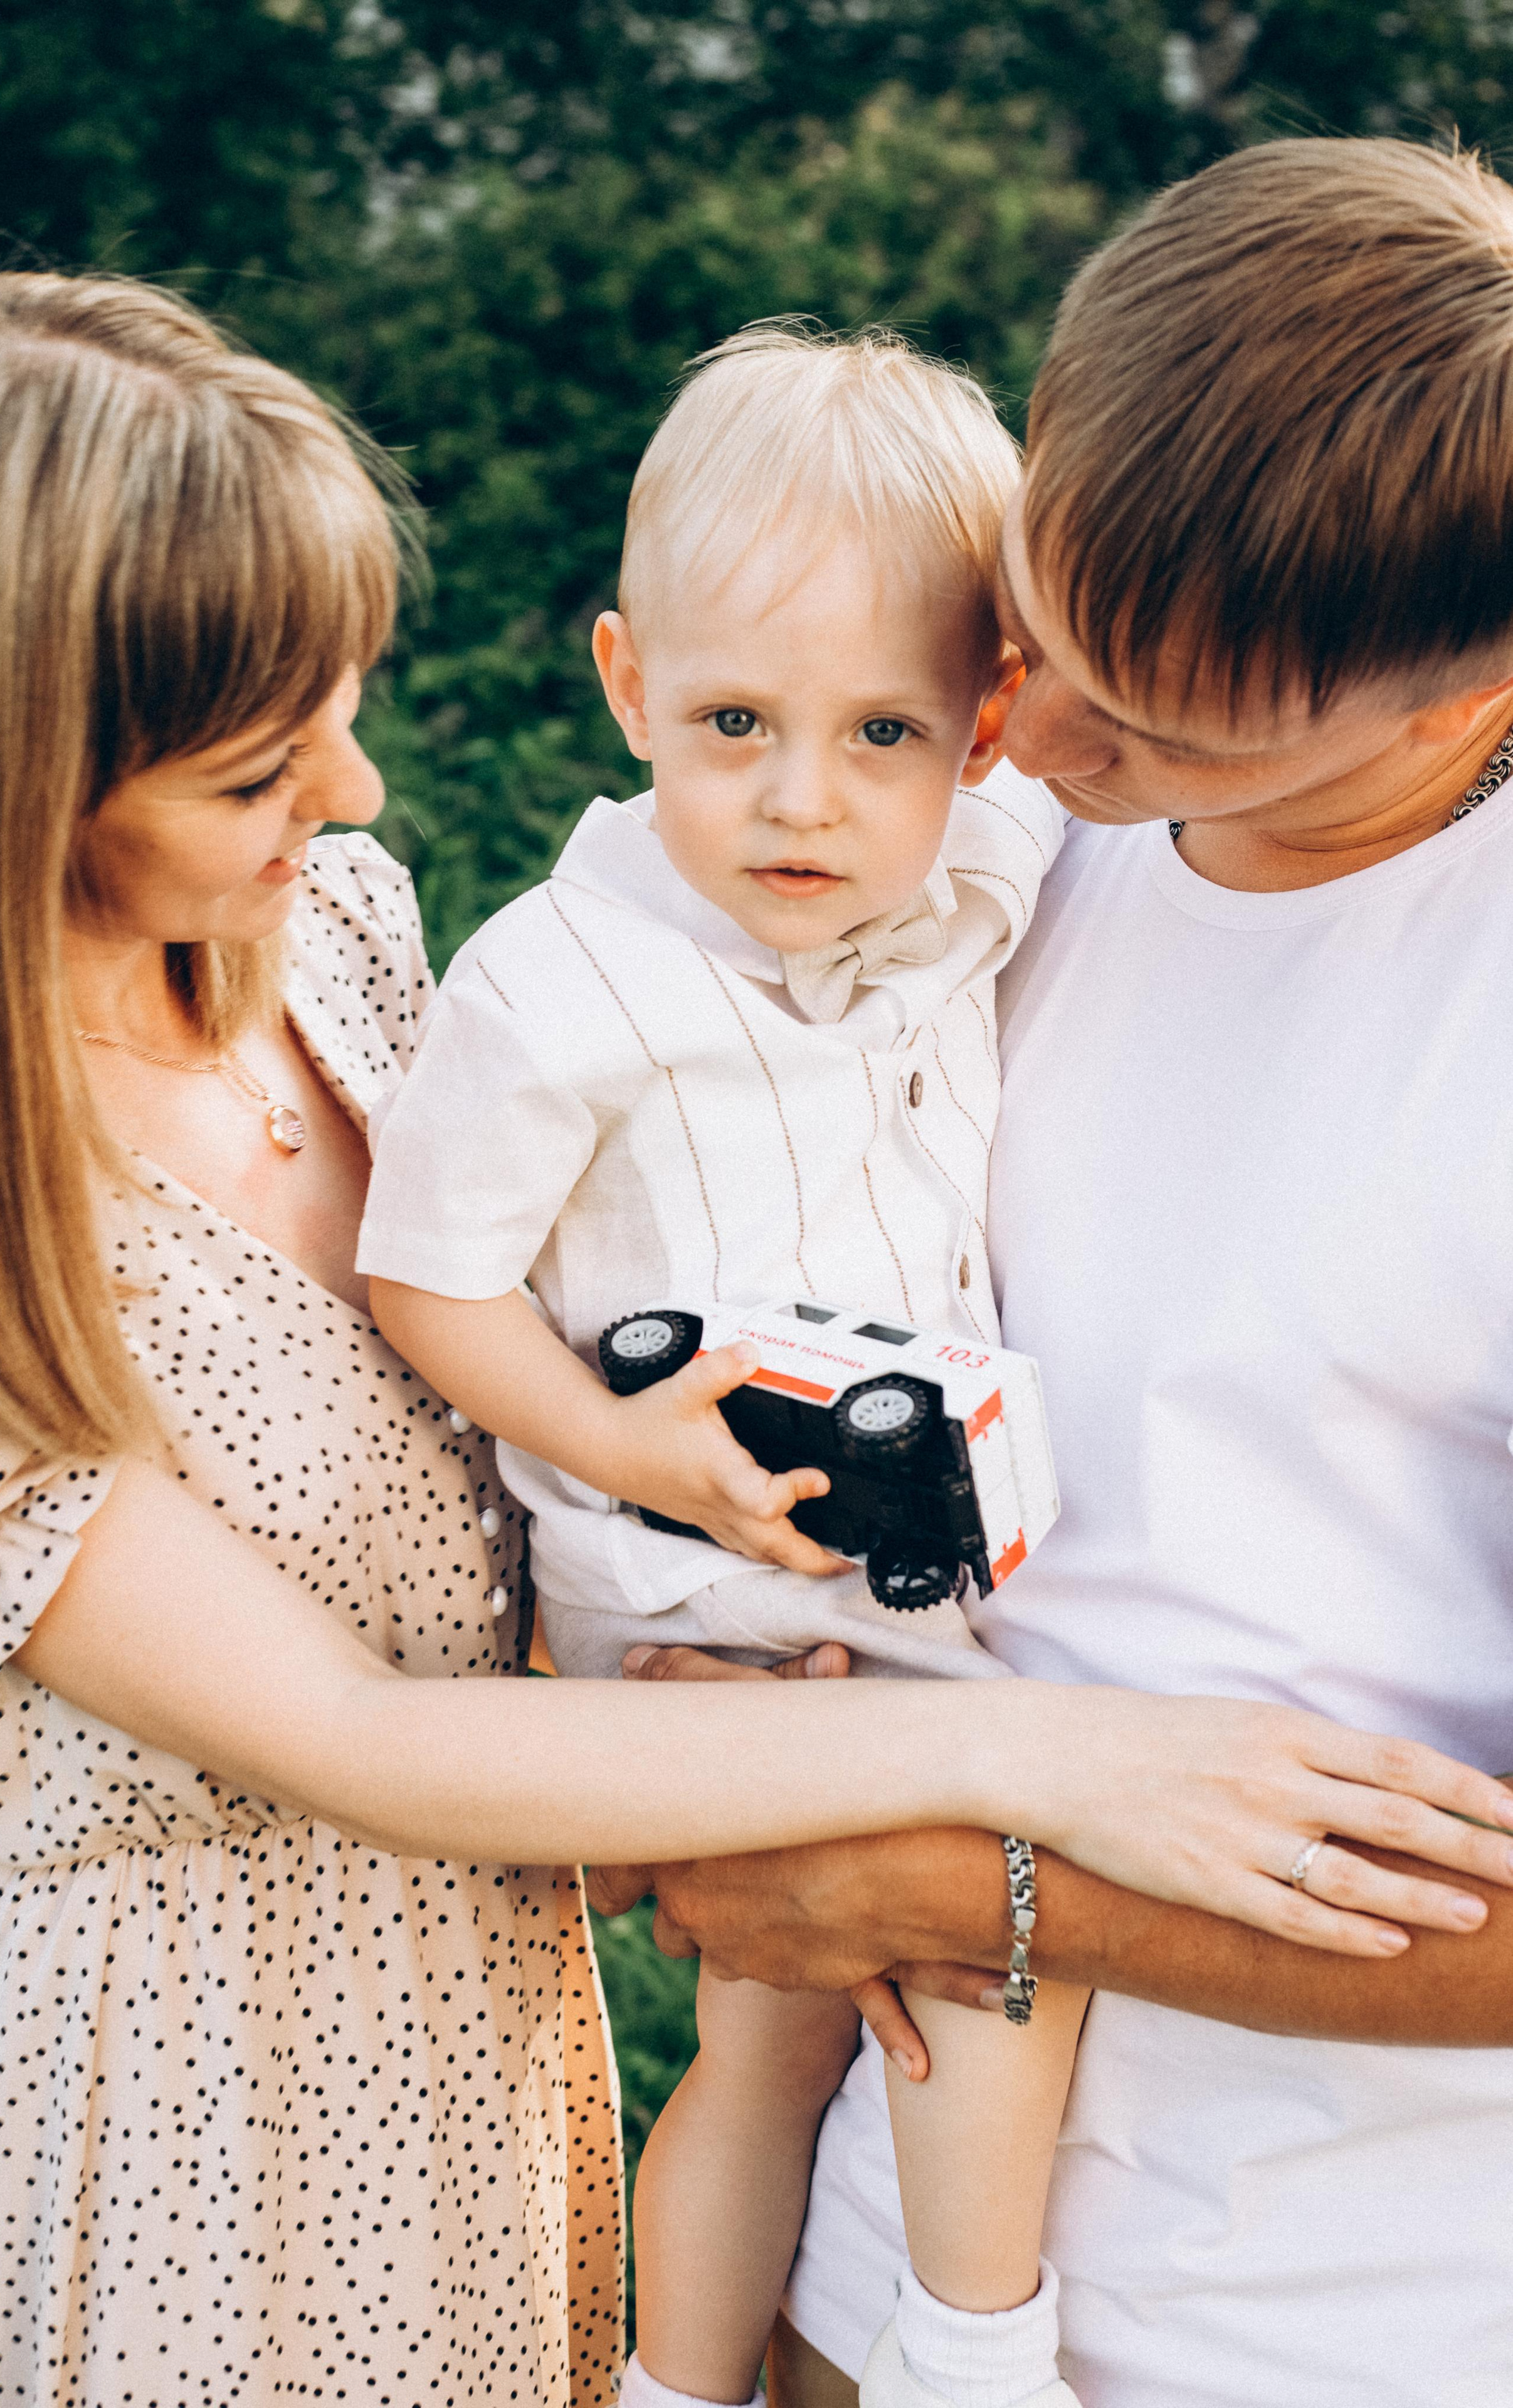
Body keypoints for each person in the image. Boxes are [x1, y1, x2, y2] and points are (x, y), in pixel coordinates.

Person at [0, 273, 1504, 2408]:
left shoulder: (337, 941)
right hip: (208, 2131)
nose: (365, 794)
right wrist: (1040, 1769)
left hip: (510, 2042)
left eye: (344, 702)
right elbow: (364, 1737)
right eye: (257, 765)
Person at [620, 136, 1513, 2408]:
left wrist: (957, 1884)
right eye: (1038, 624)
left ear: (1465, 692)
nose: (1038, 738)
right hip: (865, 2249)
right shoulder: (966, 847)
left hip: (1341, 2329)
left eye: (1170, 725)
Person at [357, 322, 1092, 2408]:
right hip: (693, 1581)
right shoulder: (557, 984)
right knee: (994, 1944)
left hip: (908, 1541)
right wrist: (623, 1447)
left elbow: (1082, 801)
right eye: (734, 721)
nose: (801, 798)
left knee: (792, 2024)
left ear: (987, 725)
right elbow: (434, 1278)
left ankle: (706, 2382)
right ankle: (972, 2353)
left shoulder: (979, 867)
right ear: (624, 686)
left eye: (884, 731)